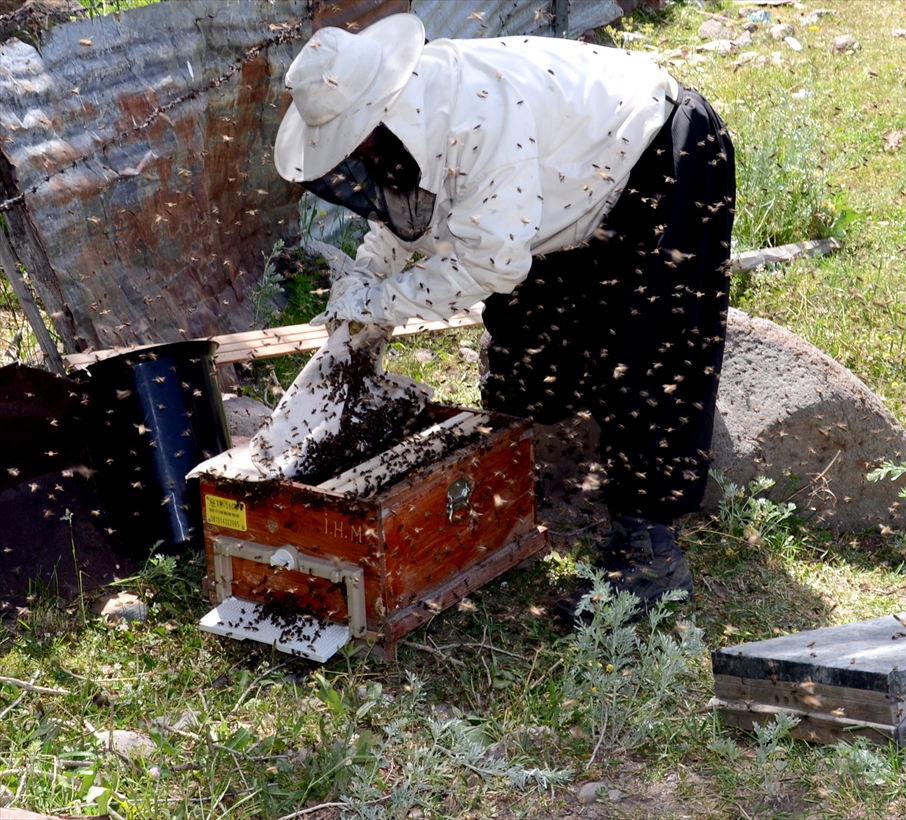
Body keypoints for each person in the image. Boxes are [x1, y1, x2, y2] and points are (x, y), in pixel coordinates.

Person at [273, 13, 735, 618]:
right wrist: (367, 278)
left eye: (351, 140)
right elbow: (403, 213)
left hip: (658, 156)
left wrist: (379, 305)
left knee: (647, 352)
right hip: (562, 188)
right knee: (527, 351)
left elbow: (491, 265)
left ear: (375, 110)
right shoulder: (402, 123)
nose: (353, 153)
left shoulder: (474, 115)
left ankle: (650, 549)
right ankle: (527, 469)